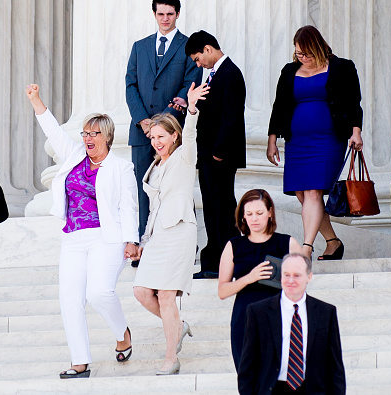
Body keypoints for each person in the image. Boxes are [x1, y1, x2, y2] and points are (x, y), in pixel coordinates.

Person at [25, 84, 139, 379]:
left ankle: (122, 331)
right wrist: (36, 101)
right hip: (73, 238)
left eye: (94, 133)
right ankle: (79, 361)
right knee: (70, 298)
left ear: (108, 136)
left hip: (106, 238)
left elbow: (129, 206)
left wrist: (131, 239)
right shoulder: (74, 155)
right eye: (85, 133)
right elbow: (53, 132)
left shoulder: (120, 168)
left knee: (99, 292)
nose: (88, 138)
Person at [267, 25, 363, 261]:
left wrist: (356, 132)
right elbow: (279, 107)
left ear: (318, 47)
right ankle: (333, 242)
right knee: (303, 194)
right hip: (297, 141)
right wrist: (272, 140)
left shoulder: (341, 67)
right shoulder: (290, 71)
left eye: (307, 53)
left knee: (312, 192)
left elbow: (354, 103)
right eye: (299, 53)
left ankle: (306, 248)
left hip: (328, 139)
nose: (303, 58)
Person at [133, 82, 210, 375]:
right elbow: (153, 208)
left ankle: (170, 358)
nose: (156, 141)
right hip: (157, 236)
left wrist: (190, 108)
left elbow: (191, 134)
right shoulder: (155, 166)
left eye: (161, 136)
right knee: (142, 291)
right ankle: (178, 326)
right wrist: (144, 240)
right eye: (152, 137)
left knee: (166, 295)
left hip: (179, 231)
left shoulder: (184, 155)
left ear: (173, 136)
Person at [125, 0, 202, 267]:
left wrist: (165, 124)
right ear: (154, 14)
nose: (165, 18)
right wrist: (145, 121)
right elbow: (130, 85)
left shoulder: (187, 46)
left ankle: (185, 247)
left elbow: (189, 85)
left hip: (173, 132)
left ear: (177, 14)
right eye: (161, 14)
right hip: (141, 132)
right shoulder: (139, 47)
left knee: (178, 188)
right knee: (144, 189)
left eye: (170, 14)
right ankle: (146, 247)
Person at [185, 30, 247, 279]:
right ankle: (212, 264)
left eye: (198, 58)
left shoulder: (230, 73)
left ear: (208, 49)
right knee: (211, 208)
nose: (198, 64)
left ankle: (230, 263)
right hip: (208, 155)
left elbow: (231, 116)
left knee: (223, 208)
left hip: (220, 155)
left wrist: (219, 152)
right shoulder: (212, 76)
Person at [237, 253, 346, 395]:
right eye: (286, 275)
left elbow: (335, 368)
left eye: (297, 275)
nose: (291, 280)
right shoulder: (258, 312)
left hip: (313, 390)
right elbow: (247, 367)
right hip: (273, 389)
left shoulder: (326, 313)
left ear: (309, 277)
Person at [218, 189, 301, 371]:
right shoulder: (234, 246)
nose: (254, 219)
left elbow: (302, 285)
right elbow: (222, 291)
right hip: (245, 320)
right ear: (243, 217)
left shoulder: (287, 243)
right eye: (249, 214)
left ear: (270, 213)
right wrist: (249, 278)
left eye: (259, 213)